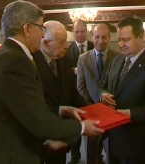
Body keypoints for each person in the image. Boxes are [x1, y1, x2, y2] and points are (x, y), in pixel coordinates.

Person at [0, 1, 104, 164]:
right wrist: (81, 128)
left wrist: (61, 110)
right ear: (27, 29)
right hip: (9, 155)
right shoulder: (14, 60)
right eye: (41, 28)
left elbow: (21, 110)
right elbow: (37, 120)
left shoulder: (8, 55)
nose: (43, 35)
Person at [99, 16, 145, 164]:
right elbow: (103, 85)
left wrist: (129, 114)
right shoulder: (116, 60)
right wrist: (103, 94)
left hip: (137, 142)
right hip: (112, 139)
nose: (121, 44)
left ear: (140, 37)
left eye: (125, 40)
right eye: (119, 40)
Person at [31, 20, 90, 164]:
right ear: (45, 43)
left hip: (61, 138)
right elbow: (31, 105)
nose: (66, 46)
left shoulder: (65, 61)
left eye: (66, 41)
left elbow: (72, 94)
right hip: (39, 139)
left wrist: (92, 108)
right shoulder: (30, 63)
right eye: (61, 42)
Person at [77, 23, 119, 164]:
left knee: (114, 153)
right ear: (92, 37)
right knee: (91, 155)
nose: (100, 41)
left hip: (113, 114)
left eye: (104, 37)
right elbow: (81, 87)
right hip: (91, 114)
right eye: (97, 37)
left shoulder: (118, 58)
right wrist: (92, 108)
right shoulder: (83, 58)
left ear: (109, 38)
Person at [66, 19, 94, 164]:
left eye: (82, 31)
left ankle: (95, 156)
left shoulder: (94, 46)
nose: (79, 34)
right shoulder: (67, 50)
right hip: (74, 95)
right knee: (76, 128)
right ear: (73, 32)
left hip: (92, 94)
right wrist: (74, 70)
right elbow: (64, 71)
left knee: (94, 127)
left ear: (87, 31)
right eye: (76, 32)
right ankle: (75, 156)